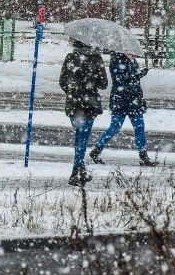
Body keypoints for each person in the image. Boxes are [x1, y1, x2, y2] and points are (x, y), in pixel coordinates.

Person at [89, 53, 158, 167]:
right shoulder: (116, 61)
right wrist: (136, 76)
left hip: (134, 100)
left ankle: (143, 156)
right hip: (120, 100)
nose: (133, 55)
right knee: (115, 128)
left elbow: (131, 78)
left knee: (139, 127)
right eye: (130, 53)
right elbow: (120, 81)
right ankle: (96, 150)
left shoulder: (132, 61)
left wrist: (139, 74)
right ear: (123, 51)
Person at [59, 39, 108, 186]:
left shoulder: (70, 57)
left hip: (74, 104)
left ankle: (80, 171)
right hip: (89, 104)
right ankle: (76, 173)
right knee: (82, 139)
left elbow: (62, 81)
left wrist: (73, 92)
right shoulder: (96, 58)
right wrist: (92, 82)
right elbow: (104, 84)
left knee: (79, 137)